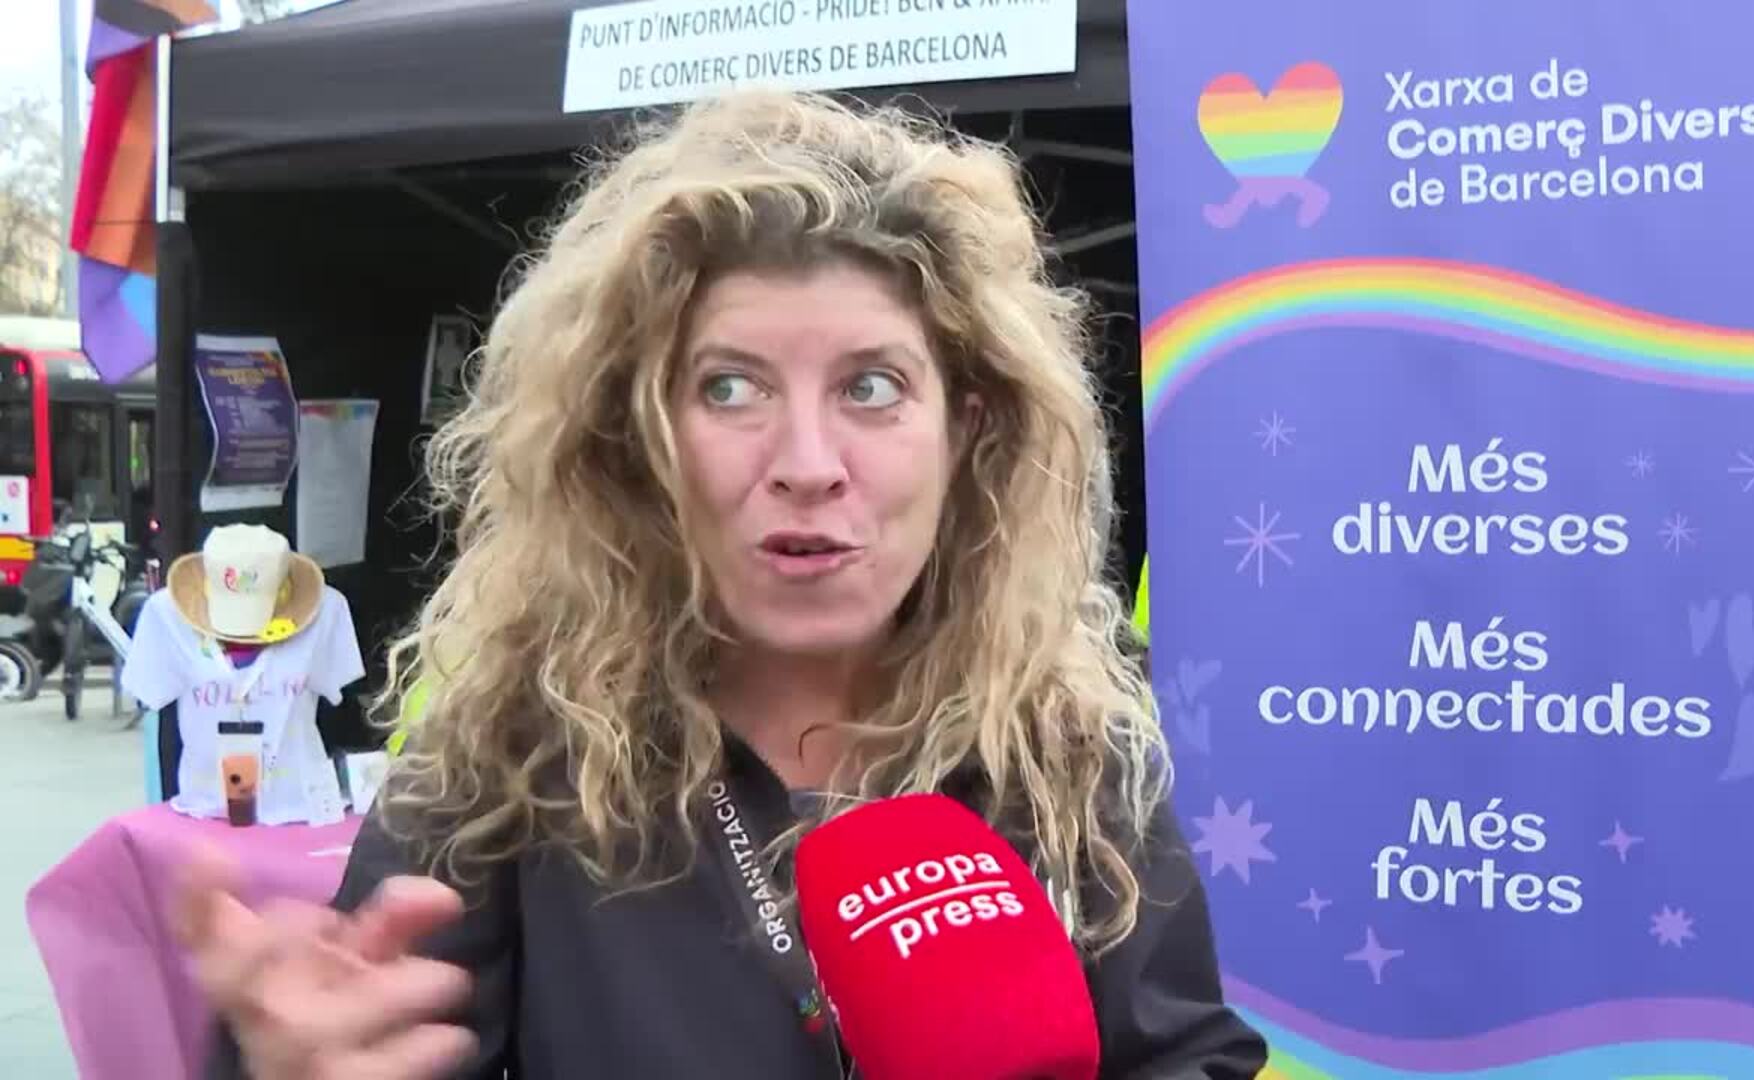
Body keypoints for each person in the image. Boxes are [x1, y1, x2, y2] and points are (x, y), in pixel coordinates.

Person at [178, 91, 1268, 1079]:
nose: (806, 463)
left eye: (872, 387)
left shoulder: (1071, 751)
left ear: (965, 430)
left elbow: (1185, 1057)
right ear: (638, 439)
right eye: (731, 388)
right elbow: (370, 1041)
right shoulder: (502, 765)